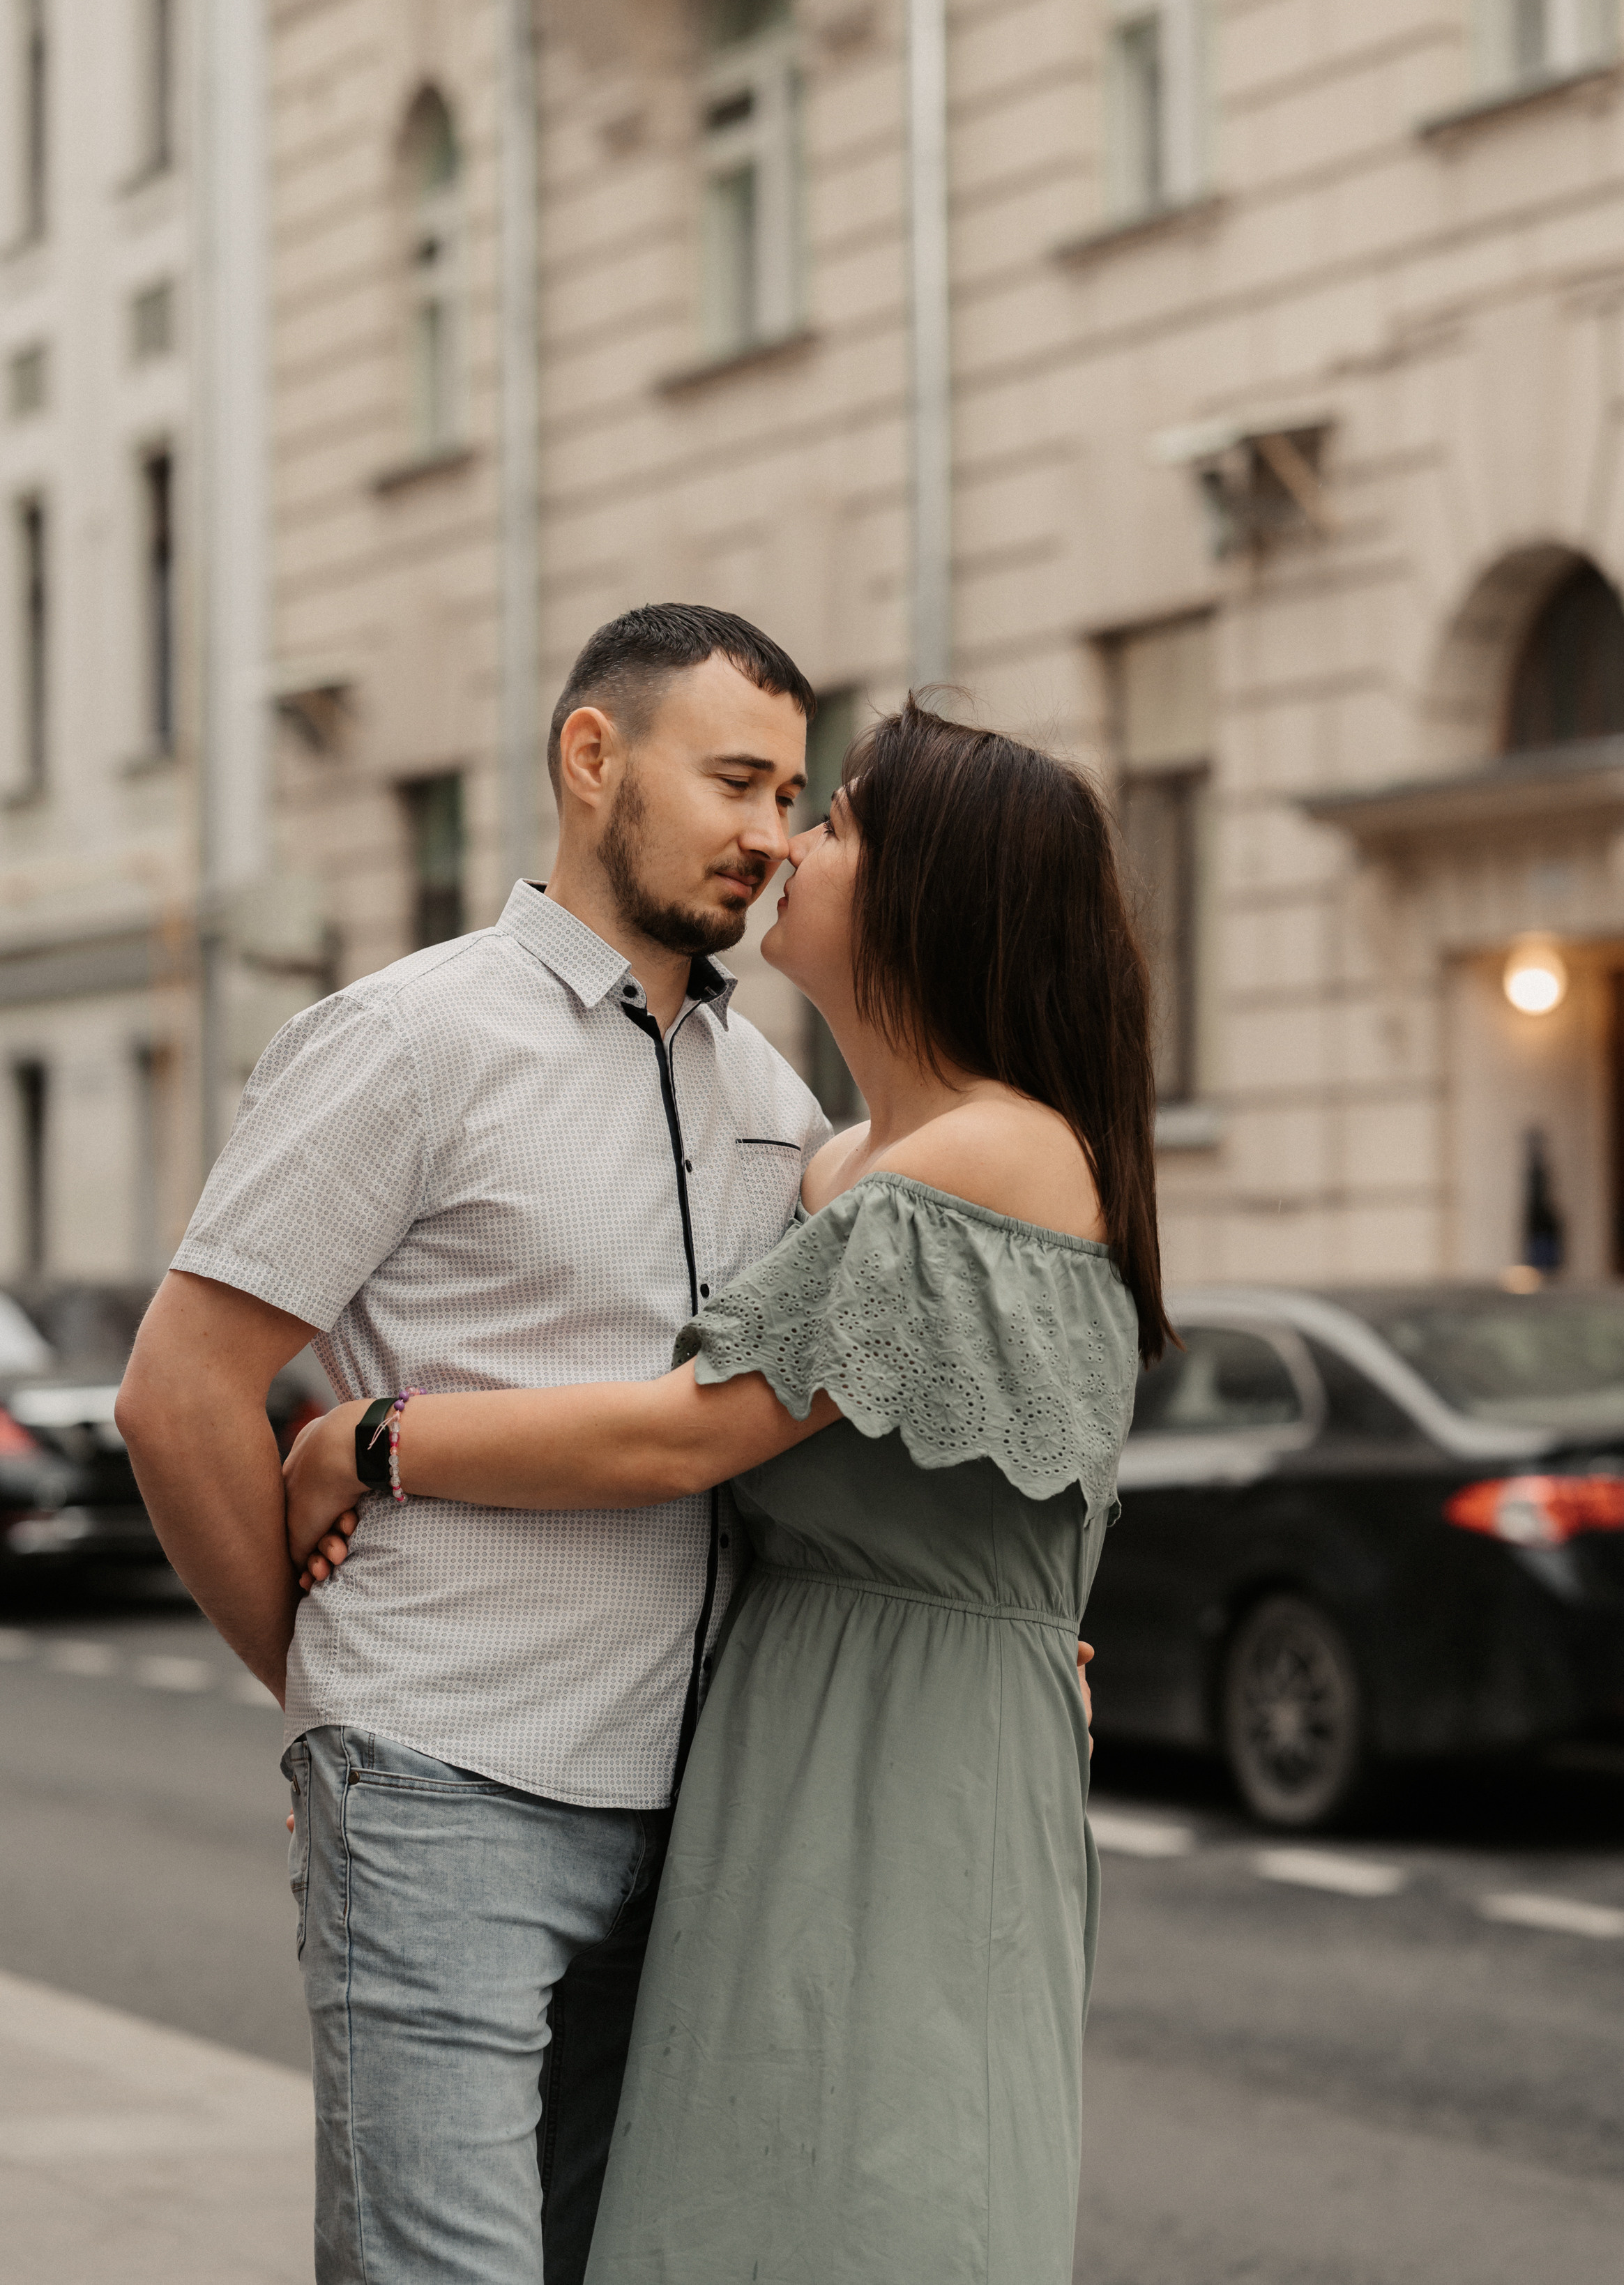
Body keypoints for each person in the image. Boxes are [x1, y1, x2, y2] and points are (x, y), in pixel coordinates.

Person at [284, 696, 1169, 2284]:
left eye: (829, 822)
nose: (787, 847)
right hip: (775, 1753)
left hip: (909, 1770)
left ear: (925, 895)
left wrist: (367, 1440)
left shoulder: (998, 1152)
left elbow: (687, 1432)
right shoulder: (830, 1159)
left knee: (878, 2198)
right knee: (731, 2204)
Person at [114, 603, 835, 2285]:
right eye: (735, 780)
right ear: (594, 760)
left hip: (698, 1815)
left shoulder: (773, 1094)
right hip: (443, 1785)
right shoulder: (409, 1037)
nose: (770, 837)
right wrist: (323, 1690)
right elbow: (181, 1388)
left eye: (793, 795)